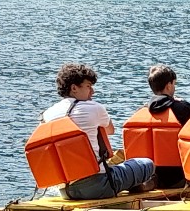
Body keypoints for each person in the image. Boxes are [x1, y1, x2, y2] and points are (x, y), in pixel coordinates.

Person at [42, 63, 155, 200]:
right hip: (98, 186)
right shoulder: (94, 108)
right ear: (74, 88)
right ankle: (136, 186)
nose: (92, 92)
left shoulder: (47, 115)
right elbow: (110, 130)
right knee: (147, 164)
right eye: (88, 86)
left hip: (66, 190)